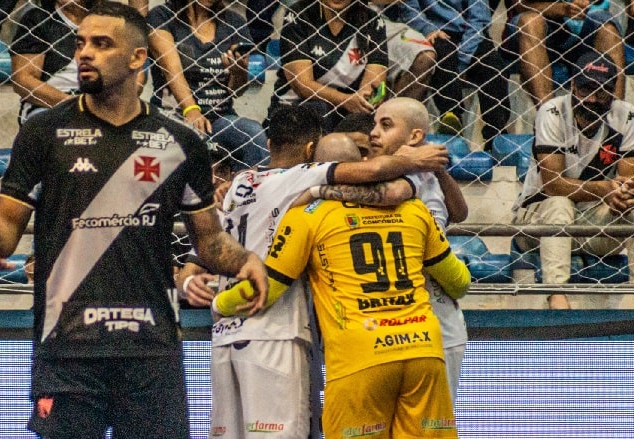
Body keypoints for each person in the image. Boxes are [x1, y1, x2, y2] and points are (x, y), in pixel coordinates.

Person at [0, 3, 268, 438]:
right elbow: (6, 226)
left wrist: (246, 260)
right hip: (67, 345)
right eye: (79, 44)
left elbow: (210, 244)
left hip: (152, 349)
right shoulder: (42, 132)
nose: (84, 54)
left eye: (101, 44)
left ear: (137, 59)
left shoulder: (180, 143)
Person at [180, 106, 450, 438]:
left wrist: (189, 280)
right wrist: (416, 162)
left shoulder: (239, 183)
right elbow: (378, 175)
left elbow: (204, 249)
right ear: (311, 152)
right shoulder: (303, 180)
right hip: (275, 330)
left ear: (268, 143)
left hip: (225, 337)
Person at [213, 184, 471, 439]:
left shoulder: (310, 214)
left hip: (359, 358)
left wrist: (220, 304)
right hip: (423, 350)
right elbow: (460, 282)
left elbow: (268, 287)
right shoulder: (414, 208)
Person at [512, 51, 634, 310]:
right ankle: (557, 298)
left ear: (613, 91)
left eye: (602, 92)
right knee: (559, 203)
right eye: (586, 89)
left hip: (592, 225)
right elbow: (553, 184)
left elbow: (631, 178)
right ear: (572, 86)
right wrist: (605, 189)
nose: (592, 98)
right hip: (537, 222)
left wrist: (624, 192)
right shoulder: (553, 112)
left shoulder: (625, 115)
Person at [366, 97, 469, 402]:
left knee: (435, 422)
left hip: (437, 319)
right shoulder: (374, 171)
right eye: (375, 124)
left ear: (415, 136)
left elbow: (460, 213)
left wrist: (437, 169)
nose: (374, 133)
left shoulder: (426, 175)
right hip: (386, 320)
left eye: (385, 125)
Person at [10, 0, 188, 125]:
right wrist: (74, 103)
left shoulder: (111, 21)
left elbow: (137, 75)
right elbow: (23, 80)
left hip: (108, 99)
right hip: (52, 104)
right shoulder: (37, 19)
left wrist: (106, 103)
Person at [147, 0, 268, 172]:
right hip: (172, 115)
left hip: (220, 117)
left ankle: (246, 193)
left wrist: (238, 72)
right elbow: (171, 69)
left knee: (253, 133)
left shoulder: (233, 21)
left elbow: (237, 91)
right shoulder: (161, 16)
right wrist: (191, 110)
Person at [388, 0, 512, 149]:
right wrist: (428, 30)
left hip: (470, 32)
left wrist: (462, 58)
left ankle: (496, 135)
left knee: (494, 66)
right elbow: (409, 11)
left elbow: (480, 18)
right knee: (442, 53)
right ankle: (451, 118)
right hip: (432, 32)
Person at [270, 0, 388, 133]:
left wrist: (365, 101)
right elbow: (302, 84)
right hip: (299, 106)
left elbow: (377, 84)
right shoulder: (299, 14)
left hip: (351, 110)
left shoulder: (373, 21)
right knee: (318, 109)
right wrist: (345, 100)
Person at [501, 0, 634, 106]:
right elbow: (520, 5)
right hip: (539, 30)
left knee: (608, 30)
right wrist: (562, 8)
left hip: (582, 31)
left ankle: (617, 118)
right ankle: (549, 117)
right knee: (530, 22)